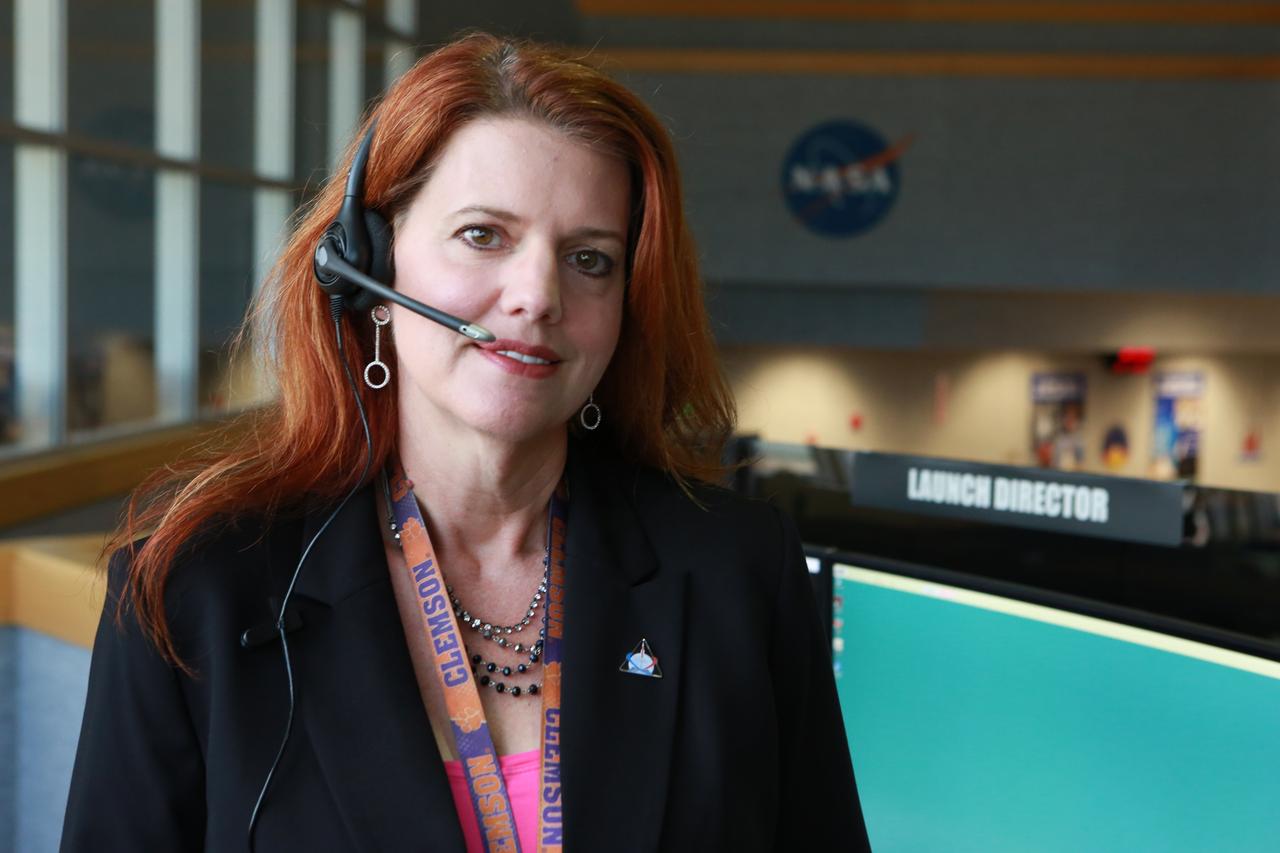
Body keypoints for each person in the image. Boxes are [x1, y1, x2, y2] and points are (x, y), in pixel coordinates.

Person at [60, 32, 870, 852]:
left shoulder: (736, 569)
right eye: (484, 234)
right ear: (368, 270)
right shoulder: (196, 583)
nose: (537, 296)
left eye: (590, 258)